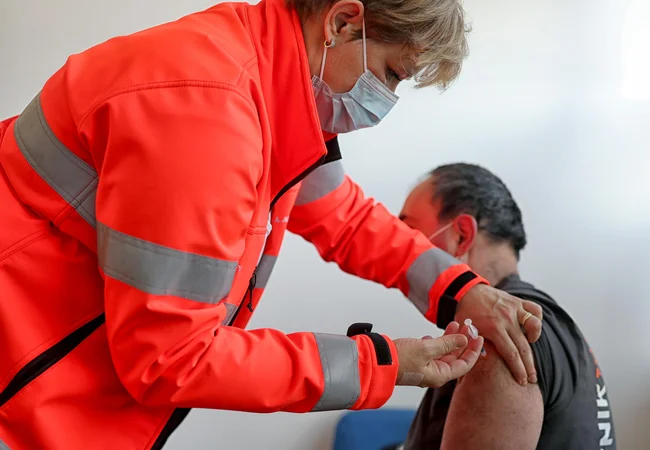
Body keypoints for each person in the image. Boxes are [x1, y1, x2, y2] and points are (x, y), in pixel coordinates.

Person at [0, 1, 546, 448]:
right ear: (342, 21)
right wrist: (386, 363)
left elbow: (345, 217)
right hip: (21, 381)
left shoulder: (268, 82)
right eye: (391, 74)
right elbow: (170, 359)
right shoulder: (208, 112)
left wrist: (460, 291)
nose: (387, 101)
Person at [395, 163, 617, 450]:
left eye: (409, 233)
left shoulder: (501, 333)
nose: (400, 250)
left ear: (462, 234)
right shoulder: (553, 321)